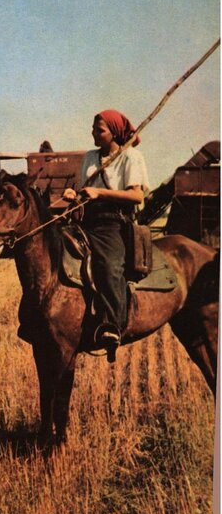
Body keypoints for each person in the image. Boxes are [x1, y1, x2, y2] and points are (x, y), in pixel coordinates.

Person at [63, 109, 149, 361]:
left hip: (114, 222)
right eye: (93, 128)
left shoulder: (130, 157)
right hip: (87, 220)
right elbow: (85, 192)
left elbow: (137, 196)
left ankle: (112, 325)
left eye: (99, 130)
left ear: (114, 133)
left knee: (109, 265)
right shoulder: (90, 157)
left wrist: (100, 193)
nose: (93, 133)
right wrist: (74, 195)